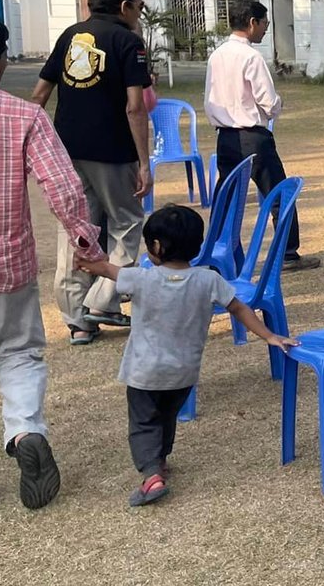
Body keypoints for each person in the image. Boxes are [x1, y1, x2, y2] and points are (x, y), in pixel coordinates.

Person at [76, 204, 296, 507]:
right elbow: (240, 308)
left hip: (144, 372)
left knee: (143, 423)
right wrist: (269, 335)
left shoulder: (142, 278)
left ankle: (151, 474)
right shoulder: (209, 280)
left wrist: (86, 258)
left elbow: (105, 268)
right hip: (183, 372)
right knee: (166, 417)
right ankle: (161, 459)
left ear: (155, 247)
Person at [0, 15, 104, 511]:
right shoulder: (23, 116)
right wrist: (86, 247)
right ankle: (25, 430)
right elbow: (65, 188)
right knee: (17, 353)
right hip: (2, 257)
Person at [31, 0, 152, 346]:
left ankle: (77, 320)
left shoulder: (69, 36)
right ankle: (105, 299)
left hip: (67, 149)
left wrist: (31, 144)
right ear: (123, 8)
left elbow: (40, 94)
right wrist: (144, 163)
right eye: (138, 5)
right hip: (113, 151)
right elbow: (135, 108)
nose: (140, 12)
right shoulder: (129, 42)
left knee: (77, 228)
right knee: (128, 222)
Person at [205, 1, 320, 272]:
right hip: (253, 135)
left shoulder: (217, 55)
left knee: (227, 196)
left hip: (226, 137)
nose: (266, 29)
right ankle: (288, 252)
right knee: (278, 192)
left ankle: (217, 253)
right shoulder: (251, 57)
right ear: (252, 23)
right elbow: (267, 100)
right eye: (265, 23)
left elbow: (210, 97)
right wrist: (277, 107)